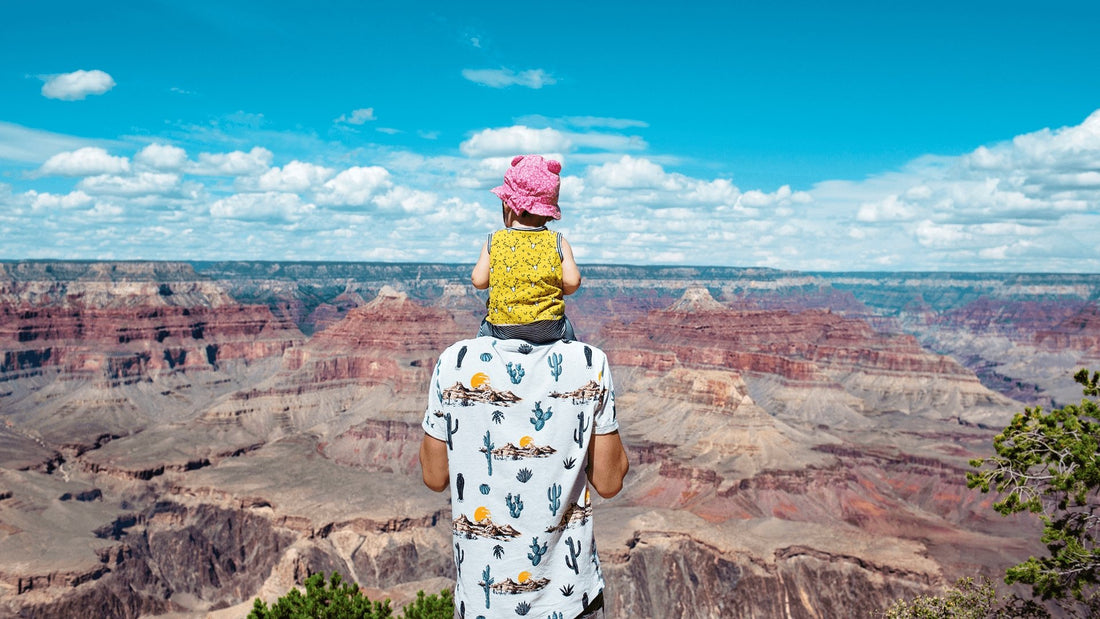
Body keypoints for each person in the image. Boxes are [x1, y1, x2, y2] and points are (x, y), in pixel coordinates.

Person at [420, 336, 628, 619]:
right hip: (570, 606)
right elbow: (610, 482)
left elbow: (434, 476)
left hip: (483, 606)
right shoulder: (589, 363)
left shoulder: (454, 361)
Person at [471, 154, 582, 344]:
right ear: (548, 211)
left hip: (500, 328)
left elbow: (479, 281)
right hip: (550, 327)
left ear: (507, 203)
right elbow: (573, 282)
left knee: (481, 336)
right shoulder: (558, 241)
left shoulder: (494, 240)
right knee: (570, 334)